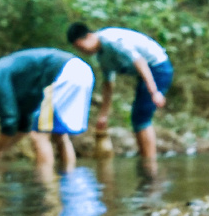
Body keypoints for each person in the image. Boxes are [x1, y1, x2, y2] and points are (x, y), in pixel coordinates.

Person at [0, 48, 94, 178]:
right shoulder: (15, 81)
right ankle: (69, 181)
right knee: (59, 134)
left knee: (39, 135)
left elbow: (9, 122)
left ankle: (45, 188)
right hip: (79, 70)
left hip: (62, 73)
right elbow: (23, 126)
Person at [66, 22, 173, 175]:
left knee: (140, 117)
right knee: (138, 118)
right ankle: (147, 163)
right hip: (147, 72)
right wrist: (103, 116)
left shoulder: (112, 41)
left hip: (157, 67)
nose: (82, 51)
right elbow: (108, 84)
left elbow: (139, 61)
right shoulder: (101, 56)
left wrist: (154, 91)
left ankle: (150, 166)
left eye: (81, 47)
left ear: (89, 36)